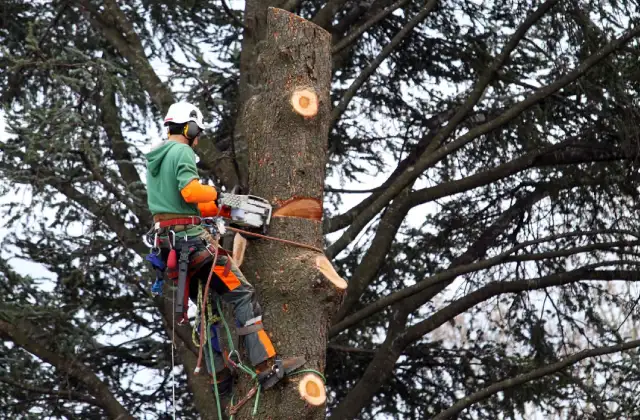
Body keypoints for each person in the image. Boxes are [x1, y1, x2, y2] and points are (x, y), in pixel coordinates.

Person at [144, 102, 281, 400]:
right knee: (242, 293)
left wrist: (222, 206)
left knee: (208, 309)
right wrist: (218, 194)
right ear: (189, 127)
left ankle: (219, 376)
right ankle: (265, 365)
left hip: (172, 245)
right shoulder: (181, 151)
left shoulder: (157, 159)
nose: (197, 138)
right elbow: (191, 192)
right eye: (197, 132)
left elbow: (184, 204)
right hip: (194, 244)